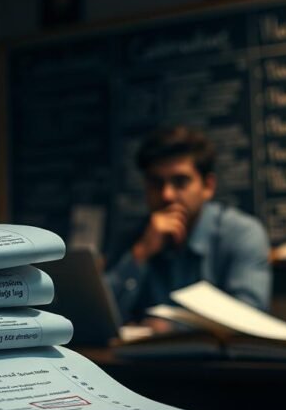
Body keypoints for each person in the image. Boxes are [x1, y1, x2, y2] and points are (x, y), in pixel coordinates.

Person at [104, 126, 271, 325]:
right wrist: (140, 253)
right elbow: (99, 318)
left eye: (180, 182)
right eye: (156, 183)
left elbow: (249, 317)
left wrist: (173, 330)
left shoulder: (242, 233)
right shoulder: (134, 237)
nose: (167, 195)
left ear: (208, 186)